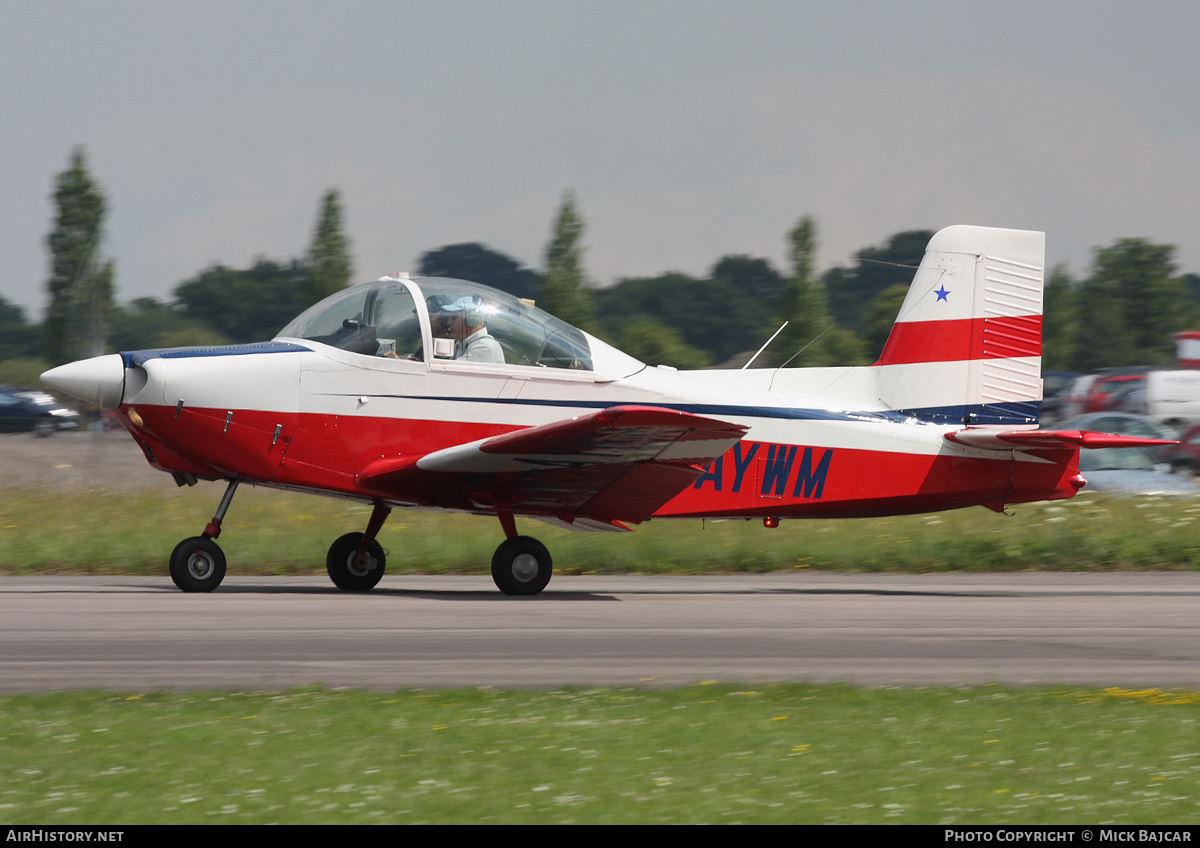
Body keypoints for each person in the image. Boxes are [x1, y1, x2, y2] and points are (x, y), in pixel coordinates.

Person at [437, 296, 505, 363]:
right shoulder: (461, 344)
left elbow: (450, 371)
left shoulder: (484, 347)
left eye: (454, 318)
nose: (449, 322)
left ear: (471, 320)